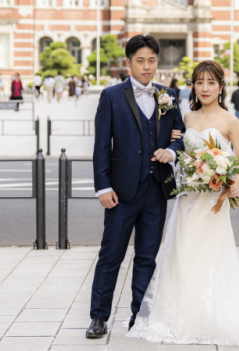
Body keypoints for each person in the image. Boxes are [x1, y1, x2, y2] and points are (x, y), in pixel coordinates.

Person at [127, 59, 239, 346]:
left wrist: (234, 183)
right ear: (194, 87)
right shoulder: (187, 118)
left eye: (211, 82)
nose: (205, 88)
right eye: (199, 82)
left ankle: (209, 316)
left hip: (214, 202)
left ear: (221, 86)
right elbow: (181, 152)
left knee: (209, 256)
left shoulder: (230, 120)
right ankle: (181, 317)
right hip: (188, 201)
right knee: (182, 254)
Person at [87, 35, 186, 339]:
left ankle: (140, 316)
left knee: (147, 256)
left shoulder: (168, 95)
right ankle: (99, 317)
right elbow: (102, 146)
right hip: (120, 192)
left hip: (156, 190)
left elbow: (182, 137)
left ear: (158, 61)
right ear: (128, 62)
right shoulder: (112, 96)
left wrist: (173, 150)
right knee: (111, 255)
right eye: (140, 61)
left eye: (152, 60)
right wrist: (103, 187)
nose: (147, 66)